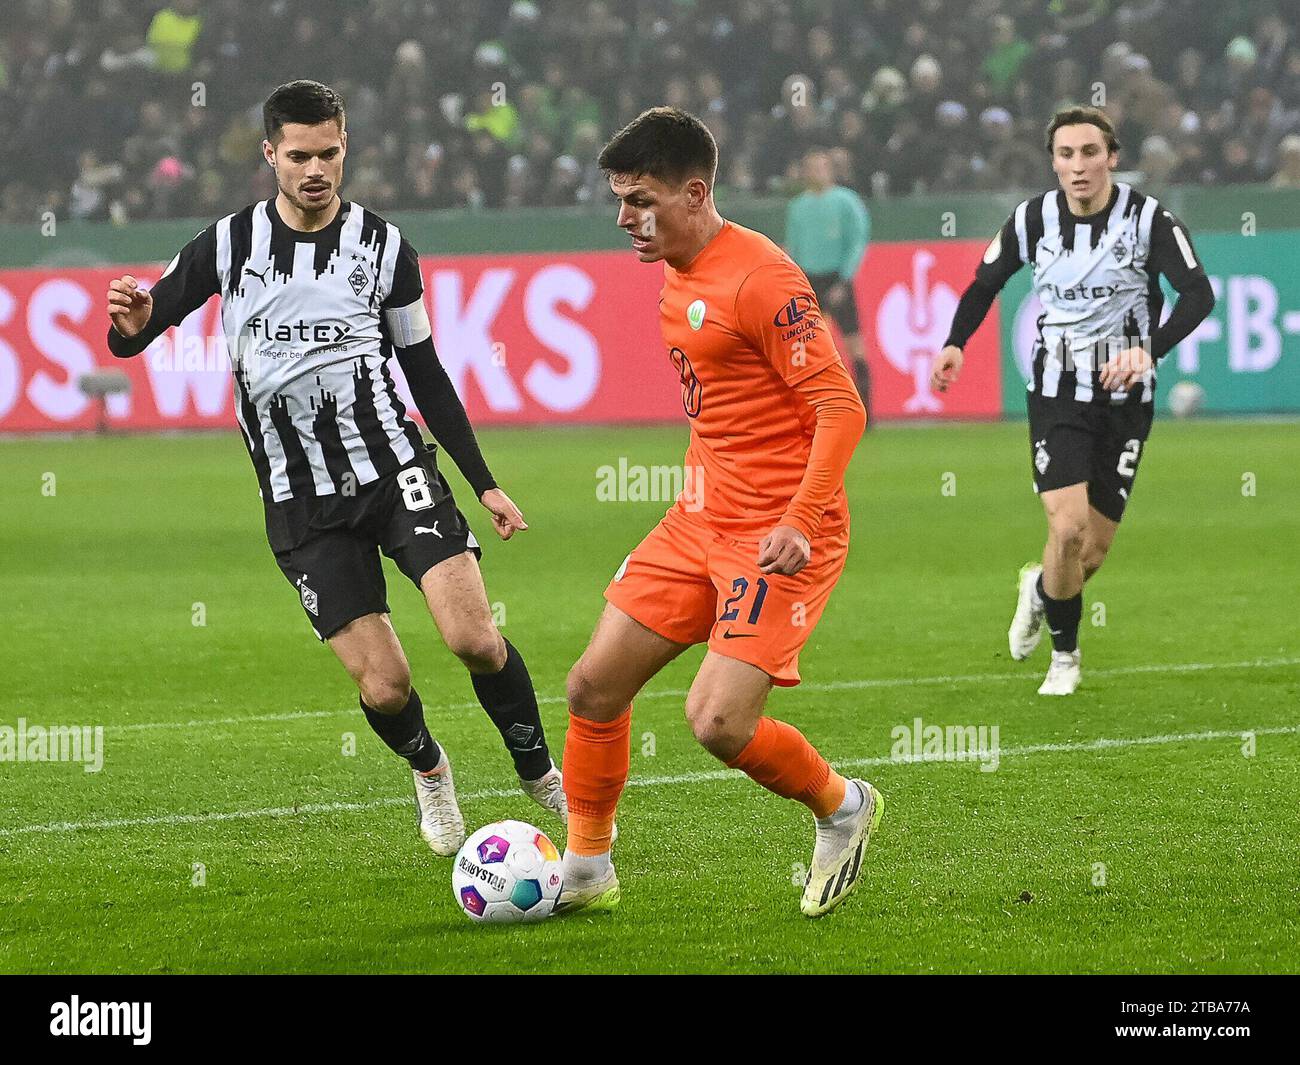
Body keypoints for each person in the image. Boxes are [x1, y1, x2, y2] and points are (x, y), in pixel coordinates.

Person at [104, 80, 566, 856]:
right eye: (298, 155)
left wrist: (482, 478)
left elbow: (425, 373)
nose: (314, 169)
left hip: (393, 469)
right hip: (299, 499)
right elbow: (141, 331)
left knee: (474, 638)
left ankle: (539, 771)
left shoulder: (387, 251)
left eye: (328, 153)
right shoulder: (226, 244)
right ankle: (430, 770)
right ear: (270, 155)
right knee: (384, 684)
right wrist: (131, 328)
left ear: (344, 148)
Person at [556, 108, 878, 919]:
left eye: (640, 201)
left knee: (718, 720)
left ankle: (843, 807)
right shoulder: (675, 261)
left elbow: (842, 409)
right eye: (620, 200)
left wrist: (801, 518)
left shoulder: (760, 280)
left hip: (781, 536)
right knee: (594, 685)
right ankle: (587, 870)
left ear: (696, 192)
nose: (624, 219)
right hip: (699, 519)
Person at [931, 106, 1215, 695]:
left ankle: (1038, 592)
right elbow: (986, 283)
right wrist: (956, 342)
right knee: (1067, 530)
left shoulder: (1149, 220)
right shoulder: (1032, 220)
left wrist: (1149, 350)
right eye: (1066, 155)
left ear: (1112, 157)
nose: (1078, 166)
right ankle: (1066, 657)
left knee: (1088, 555)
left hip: (1126, 396)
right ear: (1054, 162)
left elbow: (1198, 295)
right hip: (1056, 392)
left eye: (1090, 153)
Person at [785, 149, 873, 413]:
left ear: (830, 170)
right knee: (806, 344)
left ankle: (865, 407)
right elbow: (793, 247)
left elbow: (857, 241)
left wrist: (844, 280)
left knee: (853, 343)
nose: (816, 172)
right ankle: (811, 406)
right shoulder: (798, 206)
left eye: (821, 167)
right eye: (811, 168)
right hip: (808, 279)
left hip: (837, 278)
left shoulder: (847, 202)